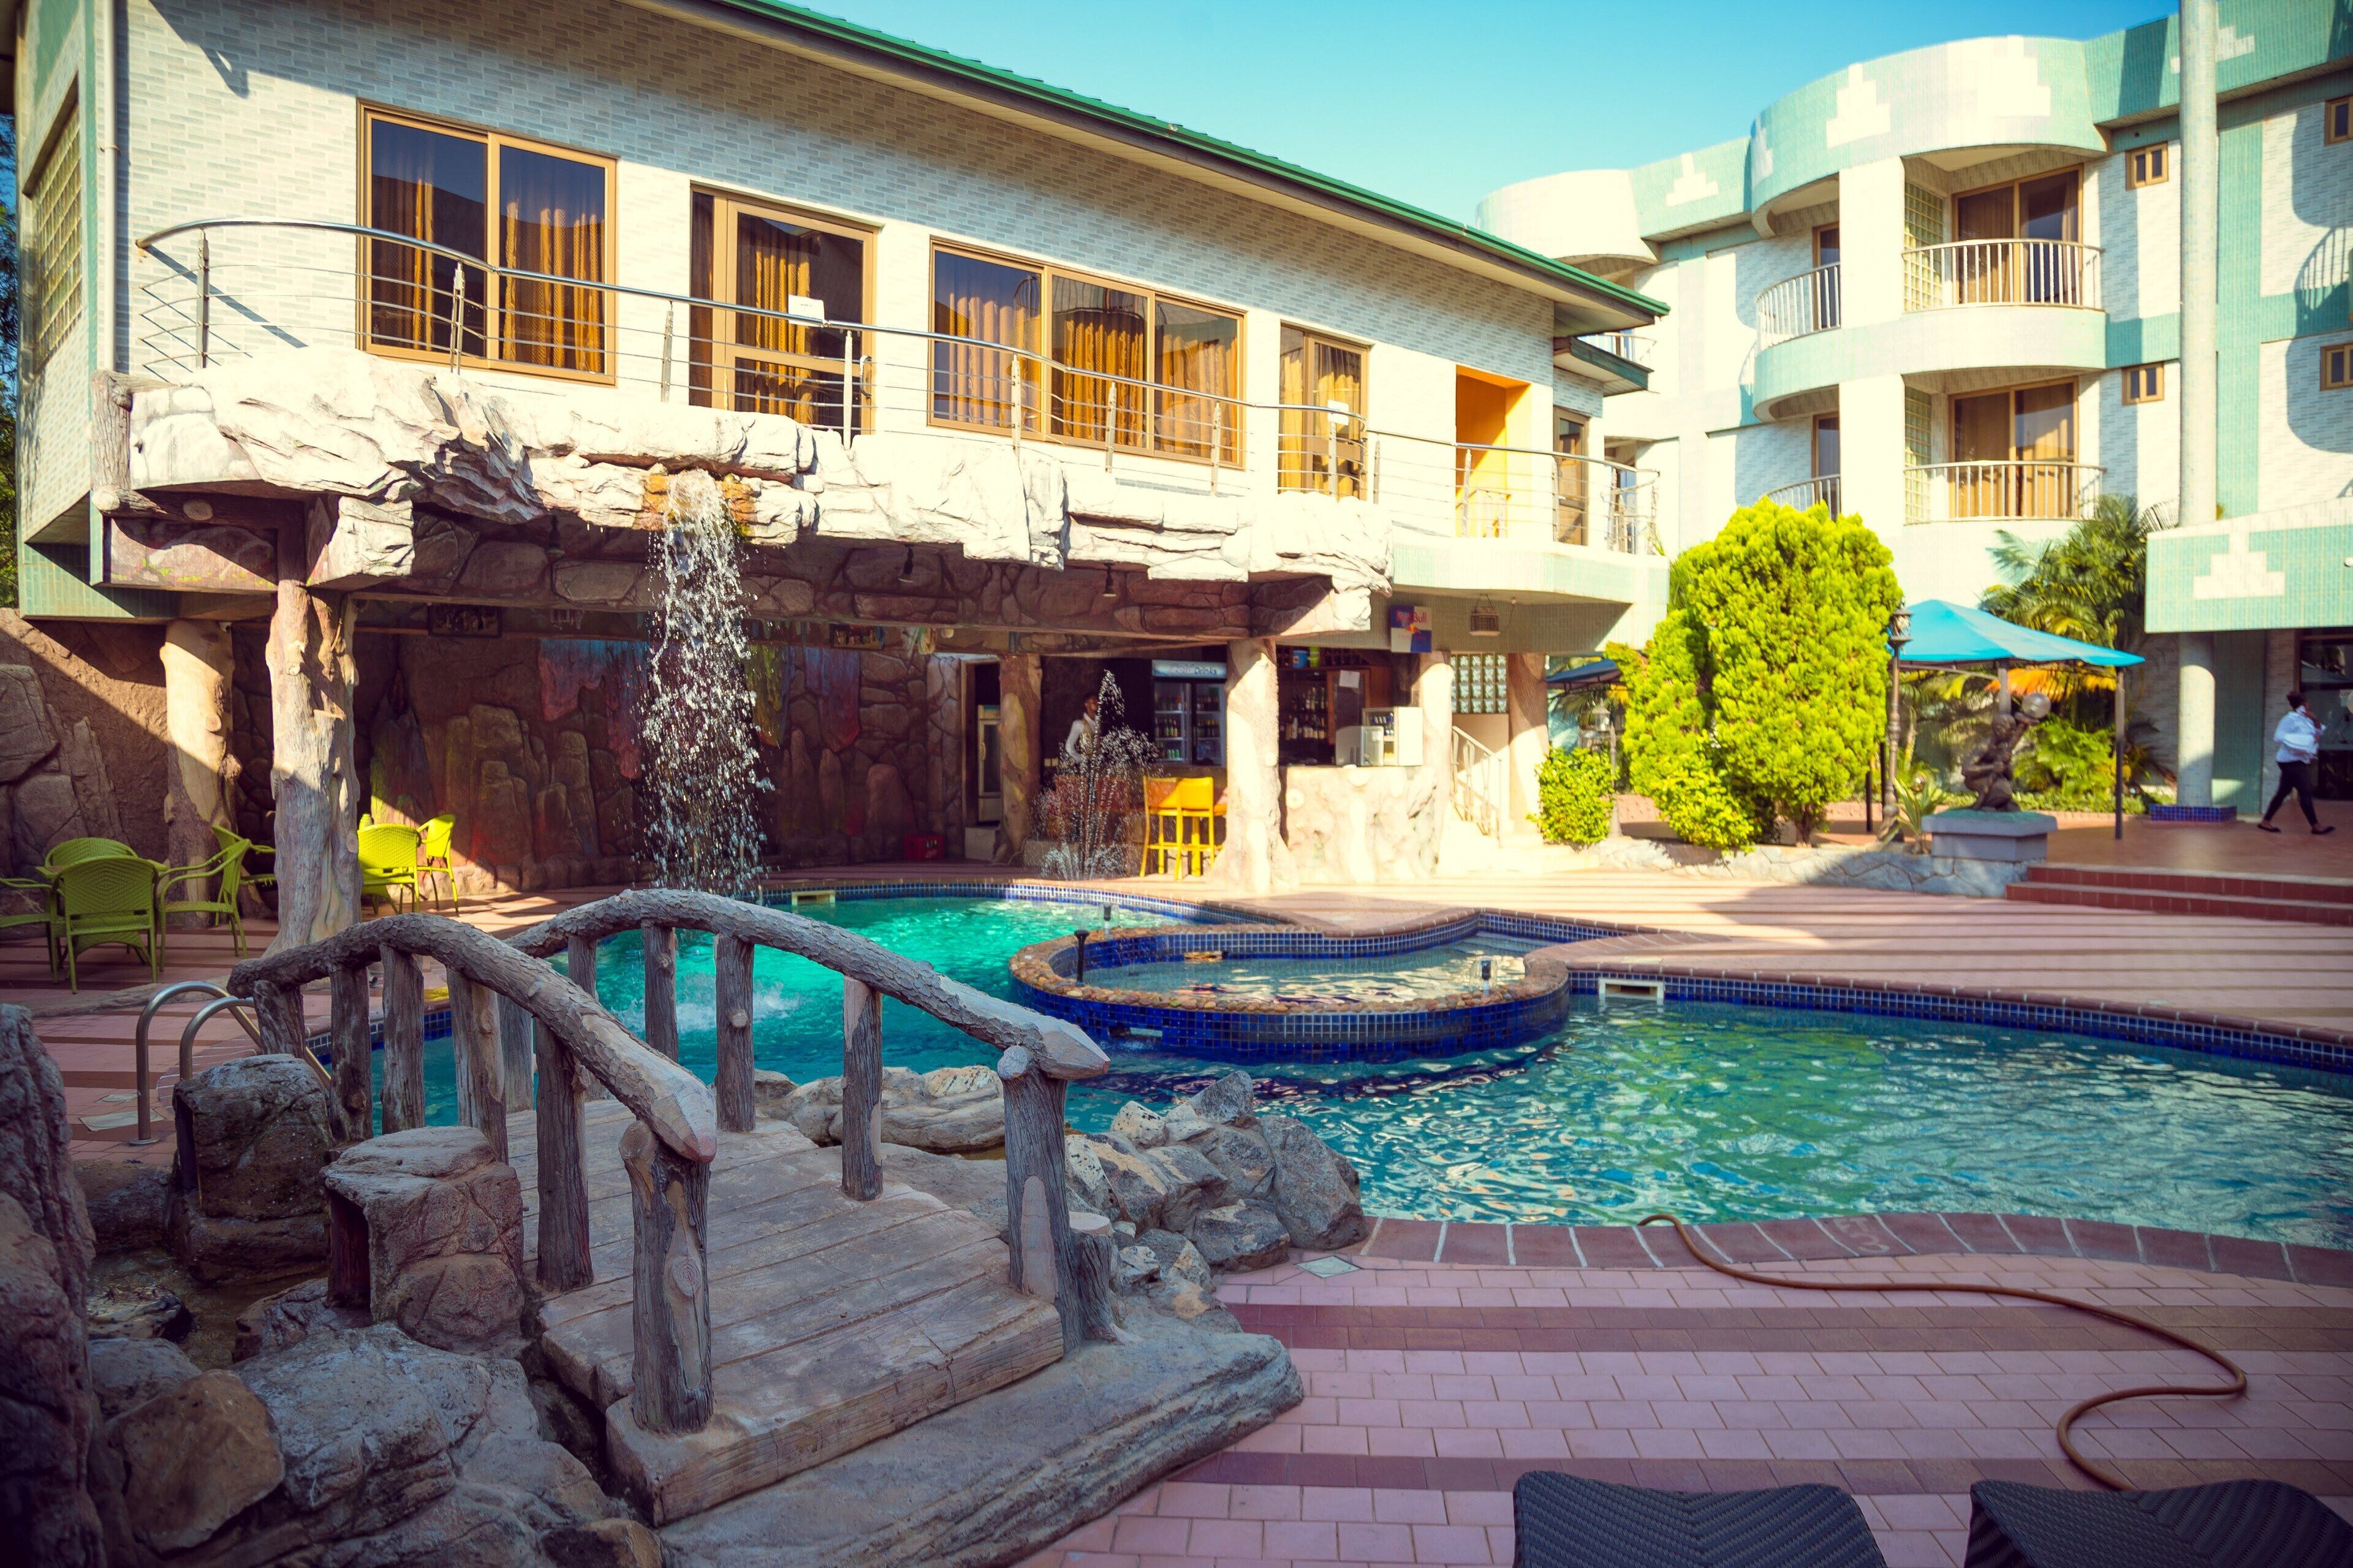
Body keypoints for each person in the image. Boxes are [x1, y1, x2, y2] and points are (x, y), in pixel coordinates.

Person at [2257, 690, 2334, 835]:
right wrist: (2299, 744)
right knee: (2305, 791)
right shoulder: (2290, 719)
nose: (2310, 704)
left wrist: (2315, 720)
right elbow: (2278, 737)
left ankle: (2265, 821)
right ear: (2304, 704)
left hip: (2299, 761)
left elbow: (2319, 734)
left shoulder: (2307, 719)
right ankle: (2315, 826)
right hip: (2291, 761)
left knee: (2283, 793)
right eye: (2308, 702)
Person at [1062, 694, 1101, 763]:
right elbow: (1069, 747)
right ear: (1087, 704)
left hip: (1099, 764)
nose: (1096, 703)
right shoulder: (1079, 724)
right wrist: (1081, 760)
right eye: (1094, 702)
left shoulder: (1099, 722)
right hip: (1087, 766)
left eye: (1096, 701)